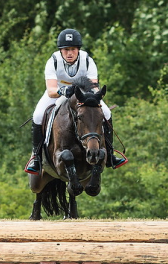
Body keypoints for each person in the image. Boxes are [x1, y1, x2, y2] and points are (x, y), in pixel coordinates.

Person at [25, 28, 127, 175]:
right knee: (38, 115)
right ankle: (36, 157)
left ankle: (110, 154)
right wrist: (63, 91)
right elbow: (51, 90)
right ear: (61, 51)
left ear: (78, 49)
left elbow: (93, 86)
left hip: (83, 95)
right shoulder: (53, 61)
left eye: (72, 49)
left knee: (106, 111)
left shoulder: (87, 60)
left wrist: (89, 96)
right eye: (66, 50)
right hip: (58, 94)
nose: (69, 53)